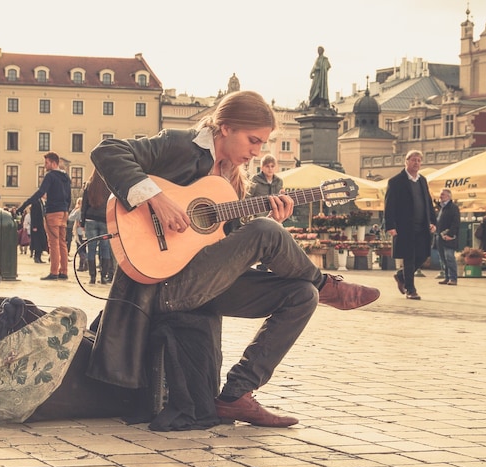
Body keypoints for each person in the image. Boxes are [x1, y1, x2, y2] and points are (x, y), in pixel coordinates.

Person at [89, 90, 380, 429]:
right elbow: (106, 151)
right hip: (163, 285)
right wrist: (157, 199)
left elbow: (225, 244)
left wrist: (274, 225)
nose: (257, 151)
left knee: (302, 295)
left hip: (203, 284)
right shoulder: (180, 145)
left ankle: (236, 395)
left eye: (262, 144)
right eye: (253, 140)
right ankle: (330, 286)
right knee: (264, 232)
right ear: (225, 128)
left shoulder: (232, 180)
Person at [384, 149, 436, 301]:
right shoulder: (396, 181)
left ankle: (401, 276)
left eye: (419, 160)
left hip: (422, 225)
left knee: (423, 254)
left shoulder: (422, 180)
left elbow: (428, 203)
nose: (416, 163)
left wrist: (433, 221)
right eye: (413, 160)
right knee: (409, 257)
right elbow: (389, 205)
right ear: (406, 162)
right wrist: (390, 226)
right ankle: (410, 289)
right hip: (404, 226)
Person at [18, 152, 72, 280]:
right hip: (64, 212)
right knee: (63, 243)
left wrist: (24, 205)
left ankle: (54, 272)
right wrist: (66, 209)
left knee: (53, 243)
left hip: (53, 212)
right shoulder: (66, 177)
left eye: (46, 163)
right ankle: (63, 271)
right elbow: (69, 197)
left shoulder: (50, 176)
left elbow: (41, 192)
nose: (44, 166)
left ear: (54, 163)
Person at [247, 154, 283, 270]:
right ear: (262, 167)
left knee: (273, 243)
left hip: (274, 216)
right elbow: (248, 197)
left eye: (272, 166)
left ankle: (268, 267)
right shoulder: (255, 180)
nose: (270, 169)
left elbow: (279, 197)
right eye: (267, 166)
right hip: (258, 217)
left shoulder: (278, 181)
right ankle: (260, 268)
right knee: (261, 244)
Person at [80, 172, 113, 284]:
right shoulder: (109, 184)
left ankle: (92, 277)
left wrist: (82, 221)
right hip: (105, 220)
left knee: (91, 249)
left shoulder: (89, 185)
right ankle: (103, 277)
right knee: (105, 248)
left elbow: (84, 205)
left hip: (90, 219)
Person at [435, 189, 460, 286]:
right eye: (440, 194)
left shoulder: (453, 208)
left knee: (449, 257)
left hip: (449, 238)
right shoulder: (442, 208)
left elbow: (455, 223)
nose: (440, 196)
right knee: (443, 259)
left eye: (442, 195)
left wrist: (450, 234)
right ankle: (447, 277)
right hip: (440, 237)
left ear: (449, 196)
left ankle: (453, 278)